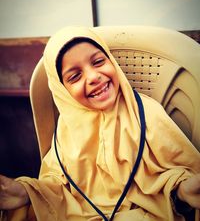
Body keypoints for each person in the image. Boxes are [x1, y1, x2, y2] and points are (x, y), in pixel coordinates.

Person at [0, 26, 200, 221]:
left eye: (98, 62)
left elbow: (173, 175)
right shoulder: (66, 128)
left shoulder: (147, 113)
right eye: (75, 76)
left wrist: (184, 189)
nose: (94, 77)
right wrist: (24, 193)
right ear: (63, 91)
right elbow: (57, 187)